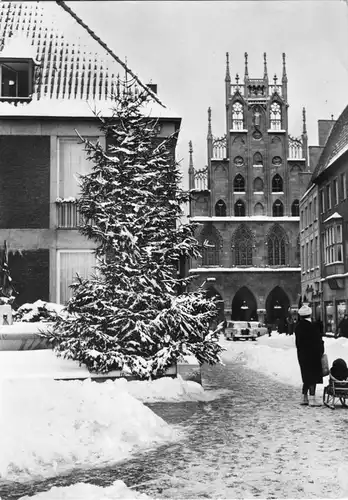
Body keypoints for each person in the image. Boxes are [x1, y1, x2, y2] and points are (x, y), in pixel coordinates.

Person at [295, 304, 325, 407]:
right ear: (310, 315)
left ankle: (304, 397)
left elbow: (298, 343)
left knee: (306, 376)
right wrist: (321, 351)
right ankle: (312, 399)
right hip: (313, 355)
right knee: (313, 377)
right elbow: (318, 341)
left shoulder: (298, 327)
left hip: (302, 355)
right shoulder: (313, 327)